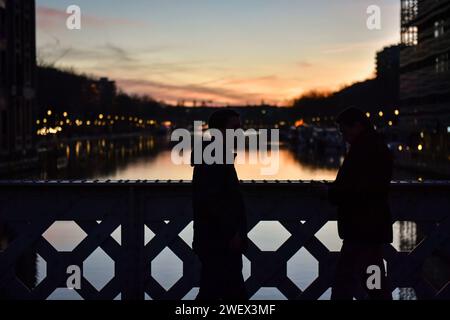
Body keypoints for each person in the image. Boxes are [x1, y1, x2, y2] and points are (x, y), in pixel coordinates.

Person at [329, 107, 393, 300]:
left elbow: (354, 189)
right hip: (371, 228)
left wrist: (329, 193)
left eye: (344, 131)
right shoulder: (375, 146)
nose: (343, 136)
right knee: (373, 282)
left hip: (360, 229)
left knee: (344, 283)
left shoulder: (363, 149)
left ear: (357, 126)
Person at [191, 109, 248, 300]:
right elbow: (214, 199)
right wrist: (232, 232)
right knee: (229, 291)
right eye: (235, 128)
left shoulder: (212, 152)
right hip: (220, 240)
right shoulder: (216, 154)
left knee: (212, 290)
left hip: (213, 237)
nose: (239, 132)